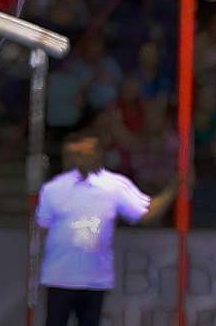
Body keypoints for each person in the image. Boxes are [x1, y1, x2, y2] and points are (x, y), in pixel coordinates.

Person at [36, 133, 176, 326]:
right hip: (60, 278)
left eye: (86, 153)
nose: (80, 159)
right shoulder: (53, 189)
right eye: (75, 154)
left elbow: (146, 212)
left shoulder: (115, 186)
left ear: (98, 154)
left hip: (94, 279)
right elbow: (40, 229)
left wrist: (174, 188)